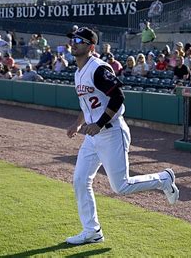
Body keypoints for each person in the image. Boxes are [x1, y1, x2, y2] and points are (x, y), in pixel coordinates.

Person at [65, 27, 179, 245]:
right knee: (80, 180)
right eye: (73, 39)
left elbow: (118, 96)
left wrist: (98, 123)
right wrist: (77, 123)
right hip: (93, 136)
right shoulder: (78, 71)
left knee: (121, 186)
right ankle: (92, 231)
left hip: (111, 132)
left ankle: (164, 179)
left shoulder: (98, 69)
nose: (74, 42)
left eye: (80, 40)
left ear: (91, 46)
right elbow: (88, 103)